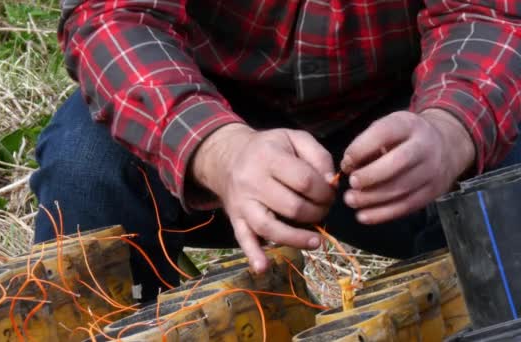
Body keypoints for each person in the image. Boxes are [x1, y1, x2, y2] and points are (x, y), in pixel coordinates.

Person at [31, 0, 521, 302]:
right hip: (209, 106)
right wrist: (218, 150)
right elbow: (114, 16)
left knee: (508, 189)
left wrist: (451, 129)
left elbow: (490, 15)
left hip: (406, 112)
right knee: (85, 169)